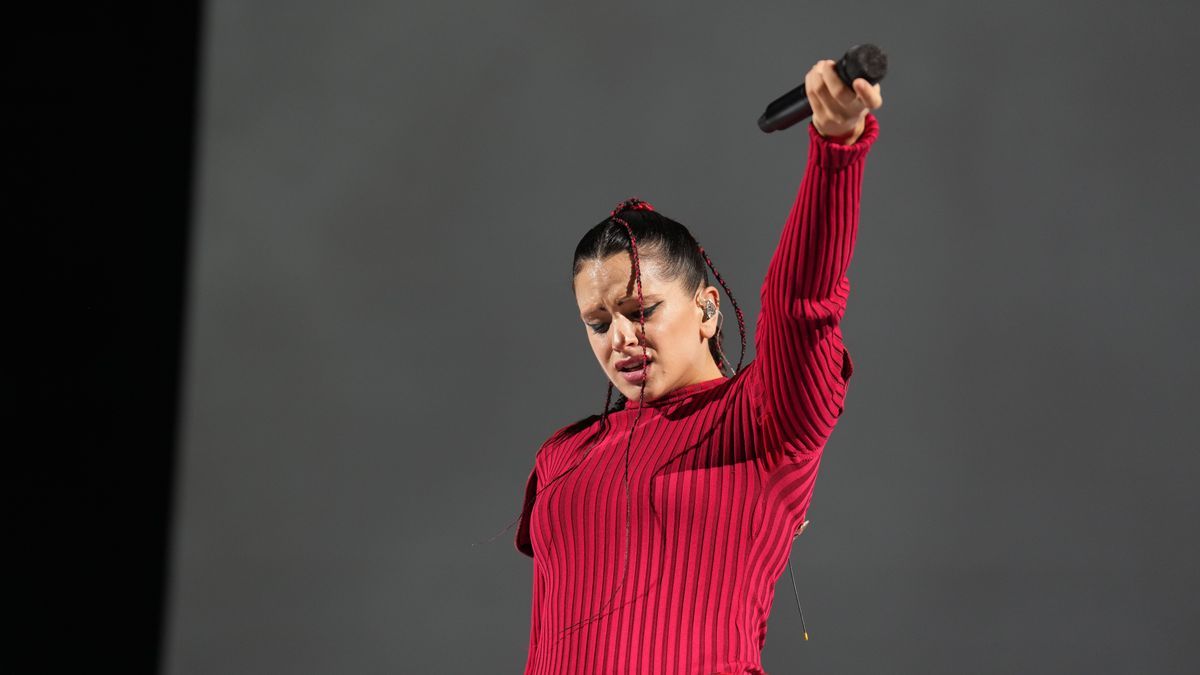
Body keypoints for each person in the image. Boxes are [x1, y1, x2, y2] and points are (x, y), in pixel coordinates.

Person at [514, 58, 883, 675]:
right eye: (599, 324)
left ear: (707, 308)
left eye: (642, 309)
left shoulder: (765, 420)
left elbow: (801, 306)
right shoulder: (564, 455)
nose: (621, 339)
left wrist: (835, 152)